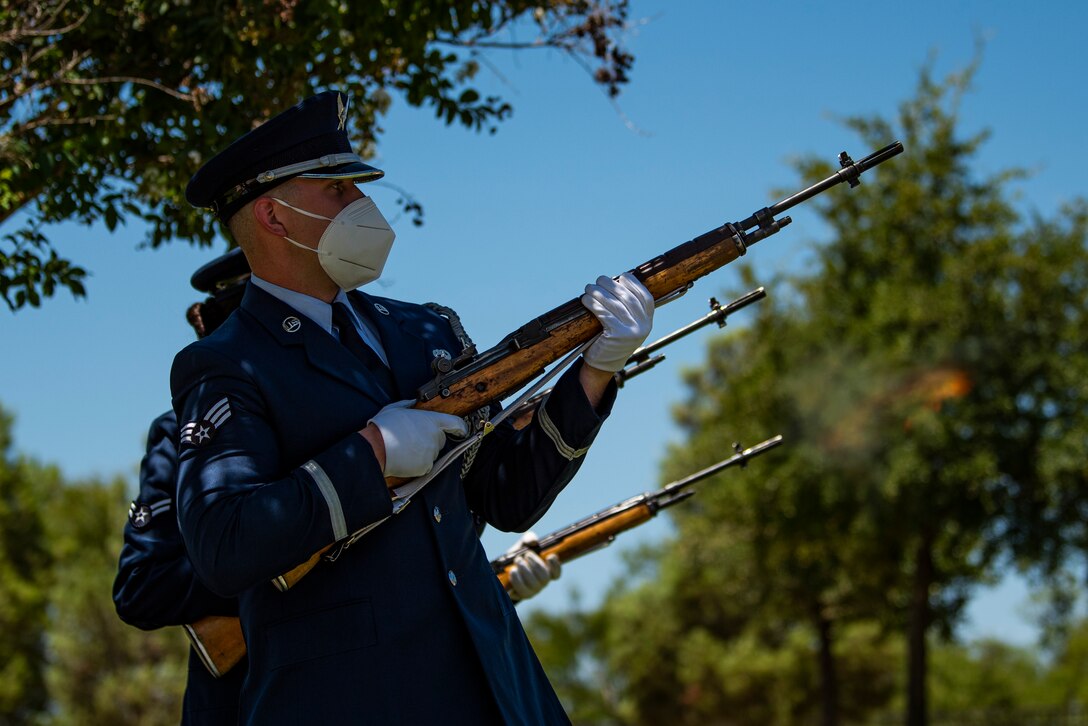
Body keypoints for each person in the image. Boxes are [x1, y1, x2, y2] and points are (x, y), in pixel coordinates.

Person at [172, 90, 653, 724]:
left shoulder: (427, 331)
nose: (363, 205)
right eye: (338, 191)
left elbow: (505, 494)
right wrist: (372, 456)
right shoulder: (228, 362)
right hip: (350, 700)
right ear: (274, 215)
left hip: (493, 681)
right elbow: (224, 539)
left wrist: (595, 370)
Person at [115, 248, 565, 723]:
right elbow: (144, 586)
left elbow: (428, 531)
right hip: (260, 692)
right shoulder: (184, 426)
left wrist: (496, 581)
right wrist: (288, 543)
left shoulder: (392, 388)